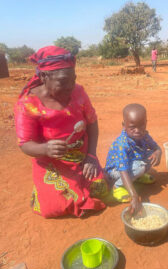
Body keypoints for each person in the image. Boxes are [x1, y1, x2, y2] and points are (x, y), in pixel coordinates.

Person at [14, 46, 108, 218]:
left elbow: (92, 124)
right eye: (63, 82)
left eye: (73, 80)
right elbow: (25, 144)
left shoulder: (79, 92)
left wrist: (91, 156)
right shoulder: (28, 103)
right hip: (51, 161)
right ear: (44, 77)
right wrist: (45, 149)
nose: (70, 87)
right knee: (53, 208)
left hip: (81, 157)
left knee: (100, 188)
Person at [105, 103, 162, 213]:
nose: (137, 130)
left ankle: (137, 177)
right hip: (115, 172)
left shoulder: (144, 135)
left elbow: (156, 148)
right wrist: (134, 196)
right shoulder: (122, 144)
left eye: (141, 126)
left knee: (151, 156)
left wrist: (158, 153)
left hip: (133, 163)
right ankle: (117, 187)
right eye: (132, 127)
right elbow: (123, 170)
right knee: (140, 166)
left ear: (146, 123)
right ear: (124, 125)